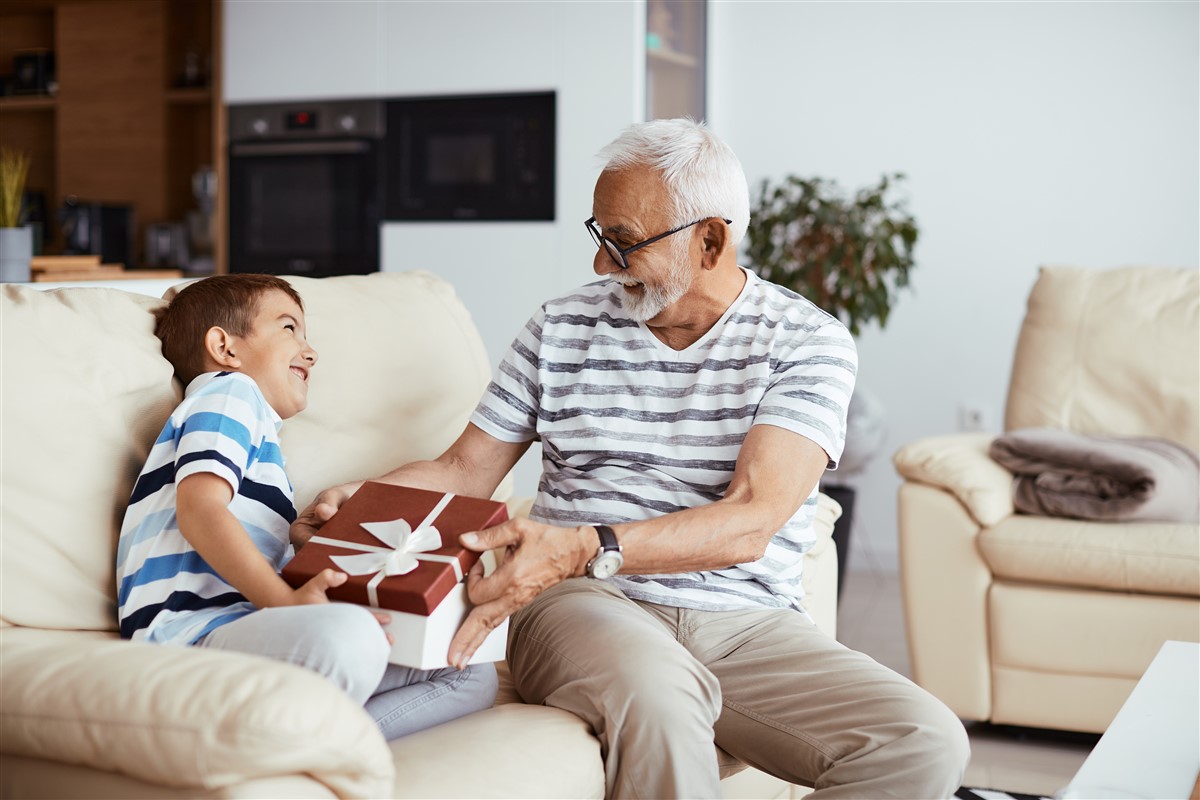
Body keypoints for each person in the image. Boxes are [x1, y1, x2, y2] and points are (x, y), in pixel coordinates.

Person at [294, 119, 969, 797]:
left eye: (623, 243)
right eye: (599, 236)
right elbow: (464, 470)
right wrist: (364, 500)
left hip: (743, 624)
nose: (600, 265)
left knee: (923, 742)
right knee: (661, 694)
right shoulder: (560, 326)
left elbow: (751, 519)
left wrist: (586, 543)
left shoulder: (805, 342)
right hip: (580, 607)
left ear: (710, 240)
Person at [116, 274, 497, 741]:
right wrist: (284, 602)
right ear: (225, 347)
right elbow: (199, 511)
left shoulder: (261, 443)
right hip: (188, 635)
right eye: (288, 328)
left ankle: (324, 746)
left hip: (245, 630)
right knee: (352, 637)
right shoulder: (229, 393)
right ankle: (310, 744)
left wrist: (298, 554)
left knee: (468, 669)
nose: (310, 350)